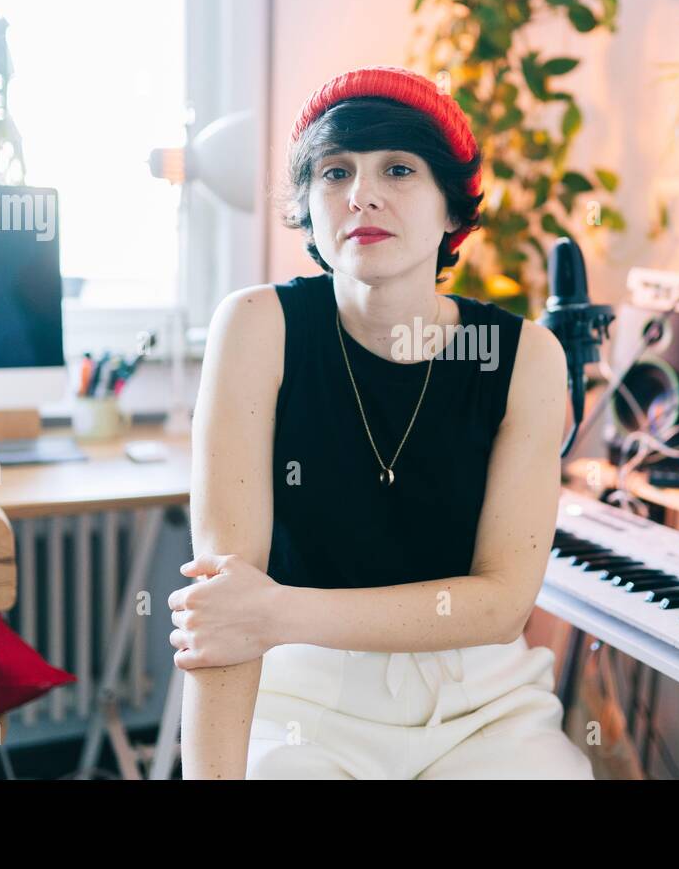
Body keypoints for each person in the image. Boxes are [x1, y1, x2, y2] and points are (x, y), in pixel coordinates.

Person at [167, 65, 593, 779]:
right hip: (305, 696)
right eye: (334, 173)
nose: (361, 193)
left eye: (398, 169)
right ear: (308, 206)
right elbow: (227, 608)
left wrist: (278, 614)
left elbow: (500, 604)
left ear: (454, 211)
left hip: (479, 704)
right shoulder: (255, 328)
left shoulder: (526, 359)